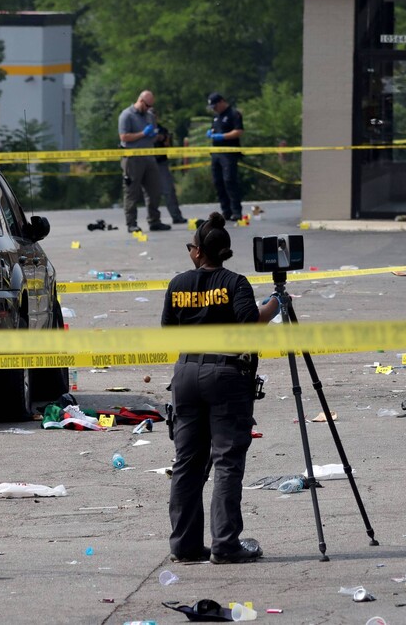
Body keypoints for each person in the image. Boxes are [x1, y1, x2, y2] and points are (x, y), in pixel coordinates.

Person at [162, 212, 280, 565]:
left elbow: (168, 331)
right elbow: (248, 325)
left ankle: (184, 545)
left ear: (199, 252)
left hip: (186, 373)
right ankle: (225, 544)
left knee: (187, 462)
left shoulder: (178, 283)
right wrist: (276, 305)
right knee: (226, 461)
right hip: (226, 375)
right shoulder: (235, 282)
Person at [118, 90, 170, 233]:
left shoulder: (150, 116)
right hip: (132, 159)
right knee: (131, 192)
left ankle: (154, 220)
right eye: (147, 105)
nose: (148, 109)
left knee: (154, 190)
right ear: (140, 101)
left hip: (149, 157)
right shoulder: (126, 115)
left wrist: (154, 136)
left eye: (150, 106)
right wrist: (142, 134)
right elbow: (124, 137)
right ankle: (131, 223)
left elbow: (152, 137)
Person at [206, 93, 245, 222]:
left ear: (222, 101)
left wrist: (223, 136)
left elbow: (239, 131)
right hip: (216, 153)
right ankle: (226, 211)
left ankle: (236, 211)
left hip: (229, 153)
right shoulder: (216, 117)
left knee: (229, 181)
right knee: (218, 182)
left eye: (215, 106)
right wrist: (211, 133)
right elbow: (213, 130)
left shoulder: (234, 114)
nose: (214, 109)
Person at [144, 119, 187, 224]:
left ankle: (176, 216)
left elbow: (168, 145)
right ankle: (153, 220)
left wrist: (163, 137)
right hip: (147, 162)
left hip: (161, 163)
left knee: (169, 190)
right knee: (150, 193)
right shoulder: (142, 128)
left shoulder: (162, 129)